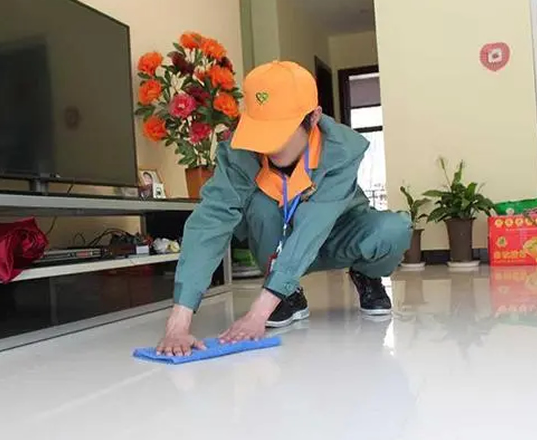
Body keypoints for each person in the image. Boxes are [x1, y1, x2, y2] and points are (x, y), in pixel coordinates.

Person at [156, 61, 411, 356]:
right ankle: (286, 293)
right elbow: (210, 222)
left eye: (280, 132)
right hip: (278, 245)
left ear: (313, 117)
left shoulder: (341, 151)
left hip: (335, 237)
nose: (270, 146)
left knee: (394, 229)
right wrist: (178, 323)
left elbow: (314, 226)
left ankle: (366, 274)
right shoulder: (241, 153)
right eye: (262, 131)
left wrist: (258, 313)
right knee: (259, 205)